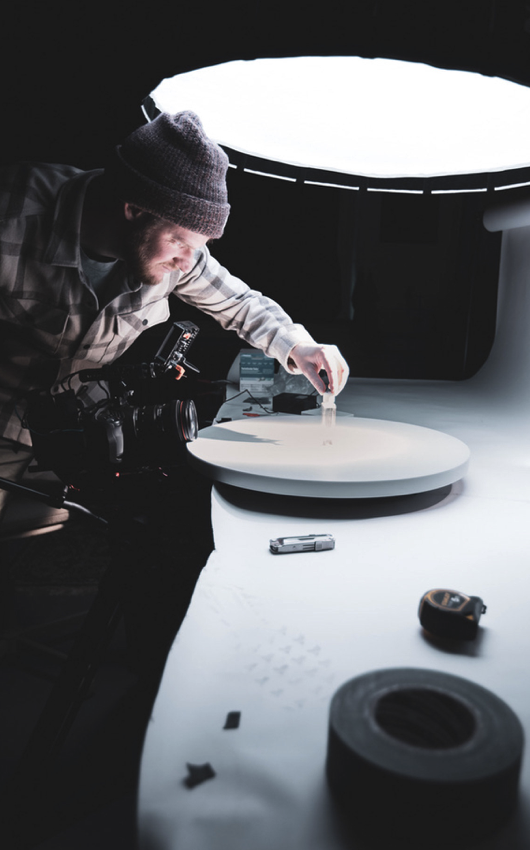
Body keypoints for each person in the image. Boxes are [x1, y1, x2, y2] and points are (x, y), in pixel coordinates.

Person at [0, 110, 349, 520]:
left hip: (76, 434)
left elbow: (241, 303)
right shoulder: (13, 214)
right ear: (133, 208)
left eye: (197, 249)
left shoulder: (178, 251)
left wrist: (299, 346)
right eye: (180, 243)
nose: (186, 264)